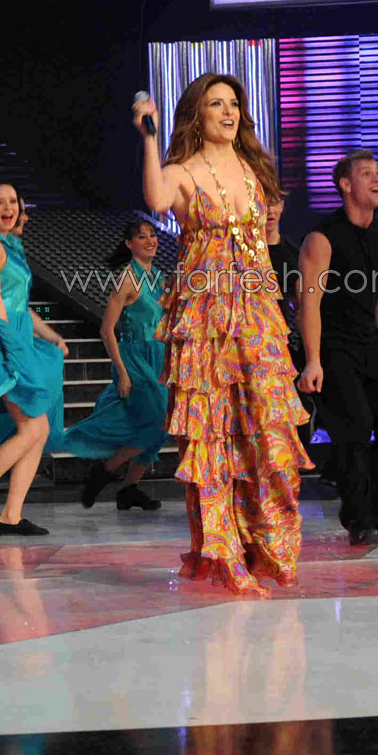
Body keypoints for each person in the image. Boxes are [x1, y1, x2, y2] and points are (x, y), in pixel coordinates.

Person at [134, 74, 310, 596]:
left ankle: (265, 546)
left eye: (234, 103)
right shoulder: (184, 170)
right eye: (216, 103)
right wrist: (149, 136)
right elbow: (156, 196)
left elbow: (264, 238)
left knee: (268, 427)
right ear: (198, 114)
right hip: (206, 317)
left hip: (256, 312)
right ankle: (226, 554)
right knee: (212, 434)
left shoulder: (253, 168)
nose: (229, 112)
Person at [296, 152, 378, 546]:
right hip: (332, 345)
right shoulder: (322, 237)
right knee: (355, 429)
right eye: (367, 174)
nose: (377, 179)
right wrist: (313, 360)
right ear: (345, 185)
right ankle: (359, 518)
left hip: (370, 344)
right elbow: (309, 303)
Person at [0, 181, 69, 537]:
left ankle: (10, 515)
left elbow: (18, 304)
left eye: (13, 202)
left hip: (16, 334)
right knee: (33, 428)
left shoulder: (9, 244)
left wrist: (50, 335)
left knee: (38, 429)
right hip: (2, 341)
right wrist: (12, 345)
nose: (8, 208)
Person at [66, 220, 169, 512]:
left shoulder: (159, 277)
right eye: (141, 237)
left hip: (157, 356)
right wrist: (122, 372)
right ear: (129, 244)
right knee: (158, 421)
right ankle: (104, 471)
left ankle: (128, 489)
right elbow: (106, 329)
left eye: (152, 235)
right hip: (133, 359)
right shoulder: (127, 278)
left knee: (162, 424)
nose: (149, 241)